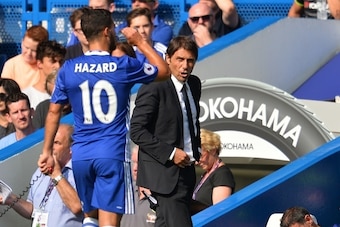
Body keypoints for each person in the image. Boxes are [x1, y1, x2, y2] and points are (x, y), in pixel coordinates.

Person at [38, 8, 170, 227]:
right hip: (112, 153)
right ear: (107, 31)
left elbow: (54, 111)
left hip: (81, 156)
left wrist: (46, 152)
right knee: (109, 223)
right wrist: (140, 42)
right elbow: (163, 70)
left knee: (90, 218)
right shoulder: (122, 65)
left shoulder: (68, 68)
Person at [130, 36, 201, 227]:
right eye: (180, 59)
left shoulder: (194, 84)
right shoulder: (154, 86)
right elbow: (136, 130)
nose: (185, 66)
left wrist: (197, 149)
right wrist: (170, 153)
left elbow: (192, 121)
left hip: (186, 173)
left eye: (190, 60)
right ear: (167, 58)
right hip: (164, 176)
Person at [0, 124, 83, 227]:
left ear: (71, 148)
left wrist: (56, 174)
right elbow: (33, 210)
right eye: (49, 142)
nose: (50, 147)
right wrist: (10, 199)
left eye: (56, 143)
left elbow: (77, 207)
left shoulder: (80, 172)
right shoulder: (40, 173)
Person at [191, 128, 235, 215]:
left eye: (199, 156)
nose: (196, 162)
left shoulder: (222, 174)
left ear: (213, 150)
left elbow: (219, 211)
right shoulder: (206, 174)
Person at [1, 25, 49, 90]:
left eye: (34, 50)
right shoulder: (11, 65)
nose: (29, 53)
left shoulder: (46, 66)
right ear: (22, 42)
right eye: (26, 47)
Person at [23, 40, 66, 109]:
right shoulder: (27, 96)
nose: (58, 66)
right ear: (39, 63)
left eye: (61, 61)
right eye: (53, 61)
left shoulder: (69, 94)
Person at [120, 144, 156, 227]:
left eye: (139, 163)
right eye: (133, 162)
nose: (135, 168)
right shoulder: (123, 192)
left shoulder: (161, 200)